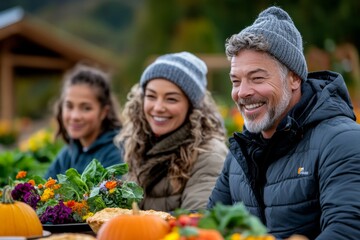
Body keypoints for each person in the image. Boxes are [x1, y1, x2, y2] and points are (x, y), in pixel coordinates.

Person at [207, 6, 360, 240]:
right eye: (236, 81)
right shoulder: (240, 154)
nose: (242, 92)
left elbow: (347, 231)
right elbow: (208, 228)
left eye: (257, 78)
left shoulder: (342, 141)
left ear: (294, 78)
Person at [116, 51, 228, 212]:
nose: (158, 107)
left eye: (171, 99)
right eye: (151, 96)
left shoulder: (208, 155)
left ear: (192, 107)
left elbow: (198, 220)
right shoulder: (139, 144)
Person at [45, 63, 124, 179]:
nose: (75, 116)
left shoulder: (116, 154)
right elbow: (43, 187)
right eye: (69, 106)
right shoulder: (68, 153)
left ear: (104, 112)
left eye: (86, 108)